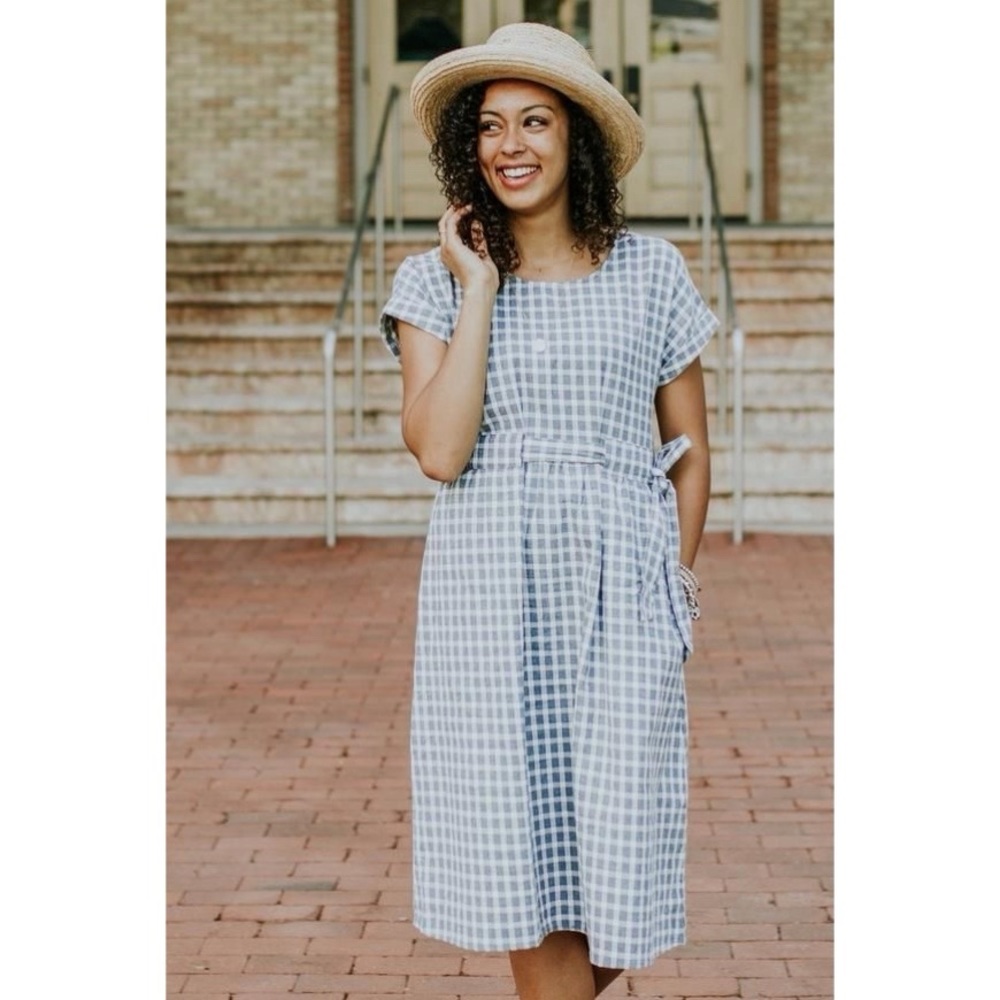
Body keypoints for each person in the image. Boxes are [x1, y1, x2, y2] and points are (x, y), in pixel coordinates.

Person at [379, 21, 717, 1000]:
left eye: (536, 119)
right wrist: (477, 285)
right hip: (492, 599)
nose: (511, 144)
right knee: (526, 858)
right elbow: (440, 450)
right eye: (490, 126)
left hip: (623, 600)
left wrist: (674, 591)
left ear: (579, 139)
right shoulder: (427, 282)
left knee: (620, 852)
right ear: (466, 149)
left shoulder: (651, 273)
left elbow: (690, 457)